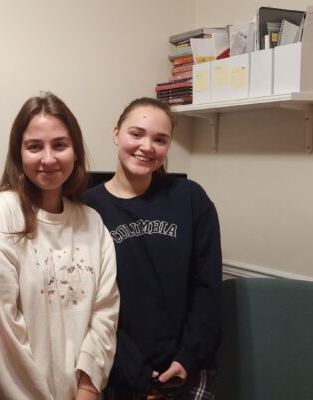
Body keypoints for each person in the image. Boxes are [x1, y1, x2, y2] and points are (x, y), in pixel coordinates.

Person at [0, 93, 119, 400]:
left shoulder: (91, 222)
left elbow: (105, 313)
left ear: (76, 151)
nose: (49, 158)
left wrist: (88, 388)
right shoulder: (2, 211)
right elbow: (1, 330)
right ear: (19, 154)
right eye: (35, 146)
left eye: (60, 145)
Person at [83, 97, 222, 400]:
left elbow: (207, 287)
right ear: (116, 133)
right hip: (121, 371)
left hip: (188, 368)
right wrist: (137, 376)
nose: (147, 147)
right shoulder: (87, 208)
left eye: (160, 139)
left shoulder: (191, 198)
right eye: (137, 134)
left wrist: (187, 359)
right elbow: (89, 305)